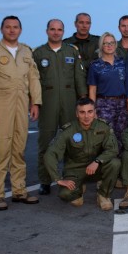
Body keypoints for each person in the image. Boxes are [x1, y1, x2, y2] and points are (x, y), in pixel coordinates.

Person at [0, 15, 42, 211]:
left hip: (21, 104)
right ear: (1, 29)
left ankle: (19, 191)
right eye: (8, 27)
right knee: (0, 150)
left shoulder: (26, 51)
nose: (12, 30)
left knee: (18, 149)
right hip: (0, 105)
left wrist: (35, 102)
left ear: (20, 30)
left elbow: (34, 78)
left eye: (15, 27)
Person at [33, 19, 88, 195]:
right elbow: (33, 81)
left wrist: (83, 100)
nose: (56, 32)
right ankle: (45, 180)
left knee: (73, 141)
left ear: (63, 32)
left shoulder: (71, 51)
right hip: (47, 101)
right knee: (46, 142)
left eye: (59, 30)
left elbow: (79, 77)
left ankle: (71, 176)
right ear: (47, 31)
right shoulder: (38, 53)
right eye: (52, 29)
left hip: (69, 101)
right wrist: (34, 103)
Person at [44, 98, 120, 211]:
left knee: (115, 163)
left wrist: (97, 161)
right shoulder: (68, 130)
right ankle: (78, 190)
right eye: (82, 112)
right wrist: (57, 179)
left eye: (90, 111)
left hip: (96, 168)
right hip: (75, 170)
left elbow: (113, 149)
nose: (86, 116)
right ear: (76, 114)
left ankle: (103, 195)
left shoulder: (103, 127)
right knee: (65, 194)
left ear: (95, 112)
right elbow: (50, 154)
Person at [87, 32, 128, 152]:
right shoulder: (95, 66)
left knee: (122, 135)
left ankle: (120, 162)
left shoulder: (122, 63)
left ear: (115, 45)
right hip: (104, 105)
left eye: (111, 43)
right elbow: (92, 89)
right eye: (106, 43)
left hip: (122, 104)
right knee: (106, 136)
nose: (109, 46)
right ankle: (107, 161)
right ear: (101, 46)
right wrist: (92, 109)